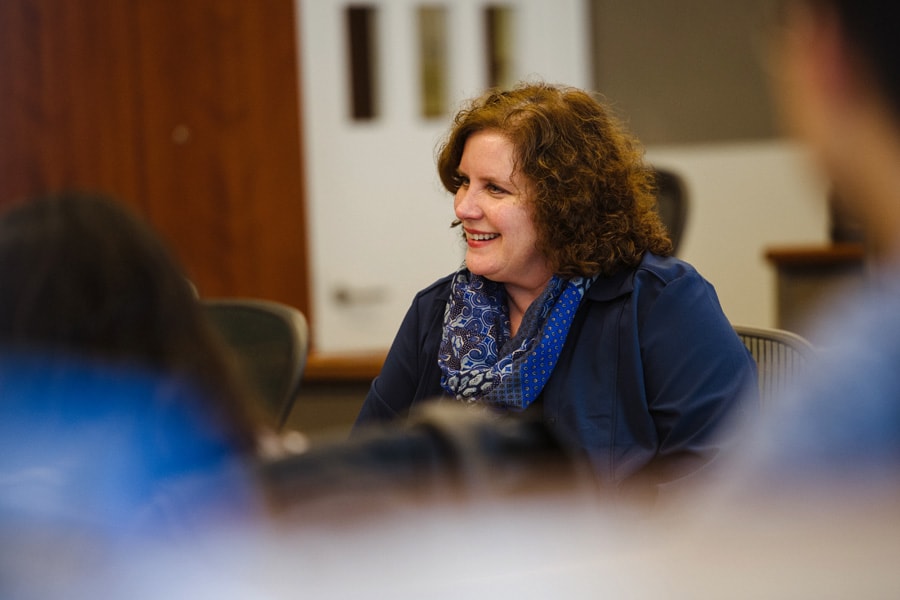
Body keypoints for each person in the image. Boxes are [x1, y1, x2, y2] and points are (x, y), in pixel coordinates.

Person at [354, 82, 758, 502]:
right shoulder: (436, 312)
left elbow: (719, 482)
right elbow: (365, 475)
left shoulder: (661, 302)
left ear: (565, 204)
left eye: (495, 188)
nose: (464, 207)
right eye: (463, 182)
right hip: (459, 560)